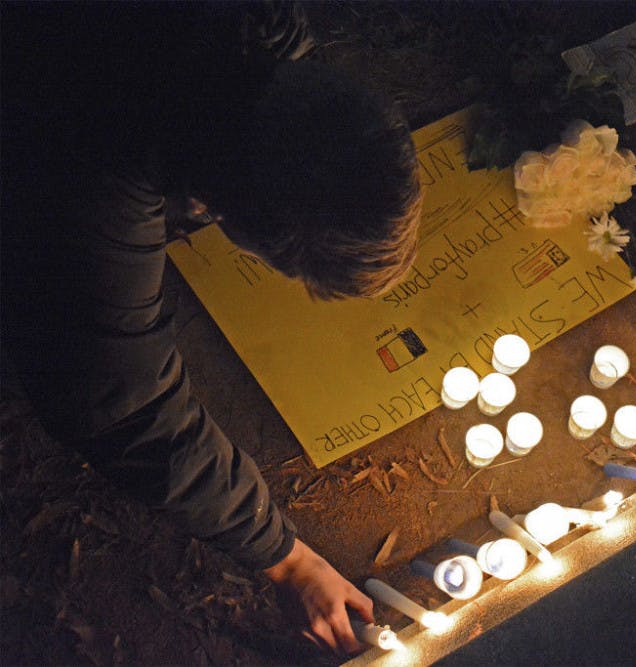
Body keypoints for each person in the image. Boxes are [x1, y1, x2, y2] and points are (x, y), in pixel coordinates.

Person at [0, 2, 421, 655]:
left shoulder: (262, 31)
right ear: (227, 219)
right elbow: (121, 402)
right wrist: (287, 559)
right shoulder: (90, 173)